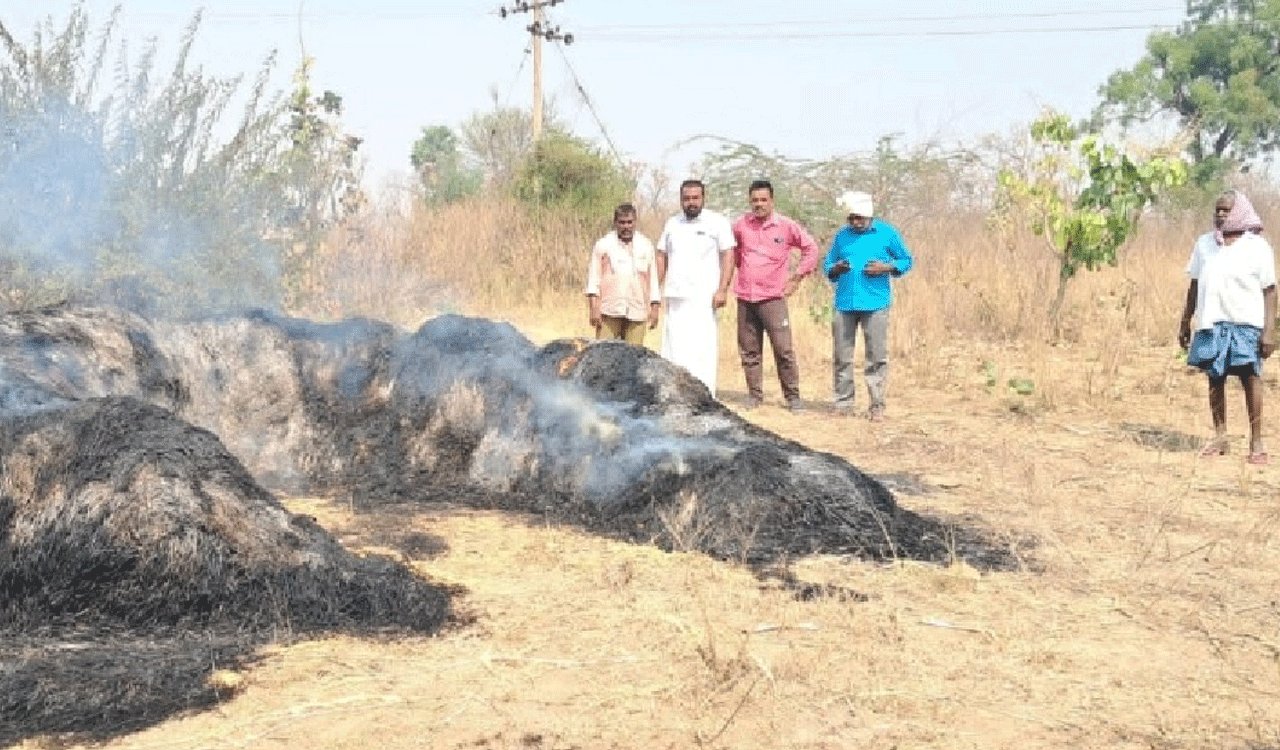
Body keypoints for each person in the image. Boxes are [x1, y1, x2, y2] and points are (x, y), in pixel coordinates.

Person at [1178, 189, 1276, 465]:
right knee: (1215, 378)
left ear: (1240, 212)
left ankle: (1256, 442)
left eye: (1226, 210)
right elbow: (1195, 284)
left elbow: (1270, 291)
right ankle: (1220, 437)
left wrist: (1269, 331)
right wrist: (1185, 321)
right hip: (1211, 321)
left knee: (1250, 378)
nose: (1220, 215)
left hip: (1246, 323)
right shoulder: (1205, 243)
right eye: (1218, 210)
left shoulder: (1257, 246)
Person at [823, 190, 914, 421]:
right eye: (851, 218)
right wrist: (837, 268)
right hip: (845, 303)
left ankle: (876, 405)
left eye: (859, 218)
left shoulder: (887, 233)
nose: (855, 222)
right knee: (842, 356)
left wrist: (886, 268)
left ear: (869, 215)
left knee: (876, 356)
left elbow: (906, 260)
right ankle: (843, 403)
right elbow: (828, 265)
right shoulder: (842, 235)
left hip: (875, 303)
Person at [730, 179, 819, 411]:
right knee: (749, 350)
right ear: (749, 201)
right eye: (755, 200)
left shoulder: (786, 226)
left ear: (772, 201)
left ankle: (793, 397)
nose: (759, 204)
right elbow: (733, 254)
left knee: (783, 350)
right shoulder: (740, 226)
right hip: (746, 297)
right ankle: (754, 395)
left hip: (773, 298)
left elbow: (811, 249)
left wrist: (797, 278)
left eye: (763, 200)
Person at [655, 179, 736, 395]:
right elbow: (661, 255)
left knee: (702, 349)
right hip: (676, 296)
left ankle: (703, 395)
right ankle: (674, 393)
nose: (691, 202)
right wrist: (655, 289)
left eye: (695, 198)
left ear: (703, 198)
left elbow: (729, 254)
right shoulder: (672, 223)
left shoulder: (717, 222)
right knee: (674, 349)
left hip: (704, 298)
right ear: (681, 199)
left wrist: (722, 289)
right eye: (686, 198)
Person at [585, 203, 661, 345]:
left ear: (635, 222)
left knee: (633, 355)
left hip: (637, 311)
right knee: (605, 353)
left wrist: (655, 308)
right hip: (609, 311)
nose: (626, 226)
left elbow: (653, 280)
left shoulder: (646, 245)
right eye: (622, 222)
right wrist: (594, 308)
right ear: (615, 223)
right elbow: (593, 279)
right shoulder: (604, 245)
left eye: (629, 222)